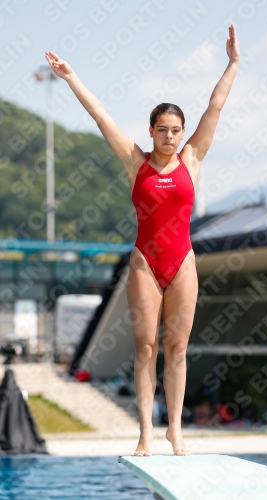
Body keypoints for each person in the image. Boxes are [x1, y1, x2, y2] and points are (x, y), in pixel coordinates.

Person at [45, 24, 240, 456]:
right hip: (145, 263)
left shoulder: (193, 157)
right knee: (146, 347)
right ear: (151, 131)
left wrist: (233, 63)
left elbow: (216, 105)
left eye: (176, 129)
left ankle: (175, 429)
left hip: (183, 260)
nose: (170, 136)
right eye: (163, 130)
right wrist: (71, 76)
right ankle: (146, 433)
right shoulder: (137, 164)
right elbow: (102, 117)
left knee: (178, 348)